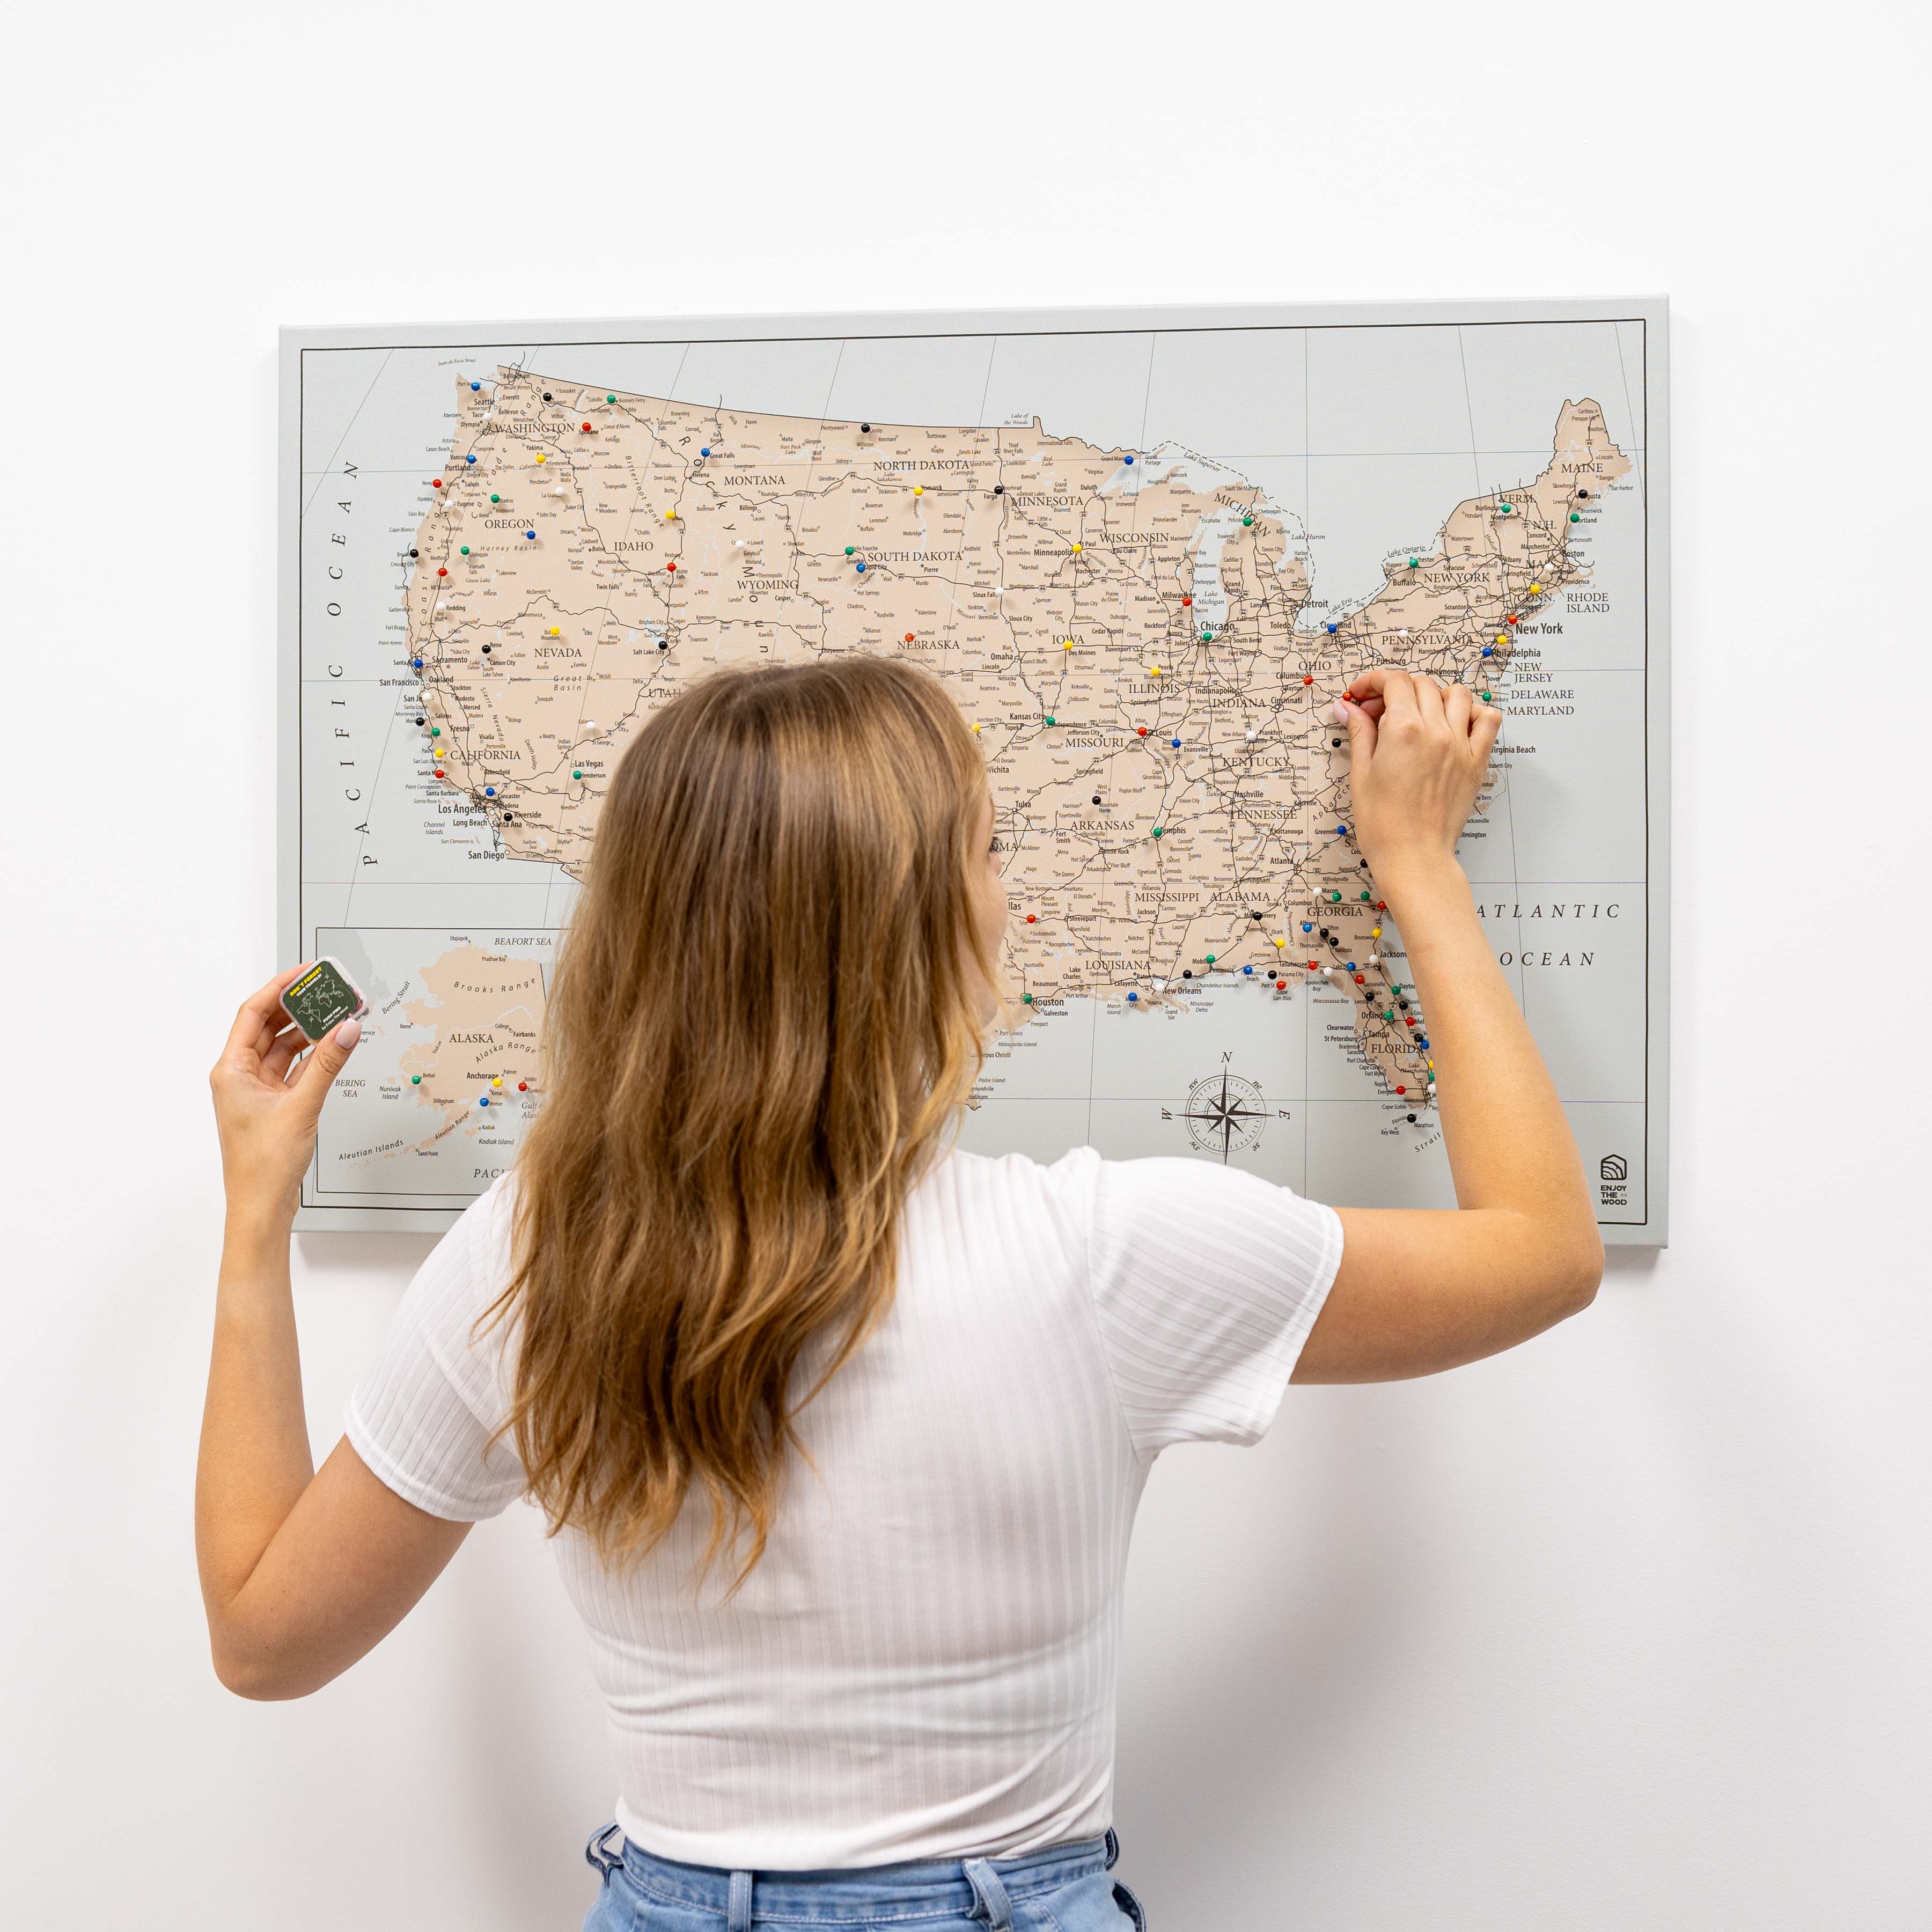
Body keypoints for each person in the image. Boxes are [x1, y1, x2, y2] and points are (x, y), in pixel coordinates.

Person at [200, 657, 1601, 1931]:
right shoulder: (1096, 1254)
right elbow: (1542, 1249)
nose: (1012, 894)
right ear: (916, 929)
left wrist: (256, 1210)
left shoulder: (530, 1259)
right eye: (988, 851)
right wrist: (1418, 866)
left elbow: (265, 1641)